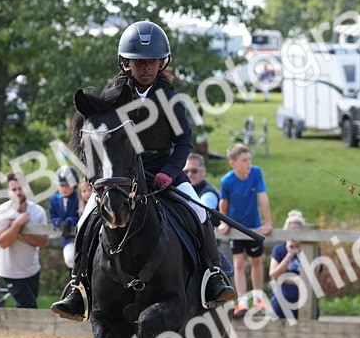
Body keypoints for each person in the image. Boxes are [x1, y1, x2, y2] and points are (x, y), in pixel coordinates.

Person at [50, 20, 235, 320]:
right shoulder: (113, 97)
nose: (145, 68)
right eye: (138, 63)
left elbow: (184, 141)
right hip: (121, 175)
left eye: (151, 62)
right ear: (126, 63)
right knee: (86, 217)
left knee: (198, 209)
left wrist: (170, 171)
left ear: (161, 63)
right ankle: (77, 288)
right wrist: (96, 174)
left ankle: (214, 274)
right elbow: (95, 135)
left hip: (163, 170)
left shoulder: (169, 99)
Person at [218, 143, 273, 318]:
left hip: (253, 227)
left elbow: (263, 198)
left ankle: (258, 298)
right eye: (244, 160)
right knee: (239, 264)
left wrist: (268, 222)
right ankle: (242, 301)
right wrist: (223, 222)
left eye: (249, 159)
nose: (248, 163)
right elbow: (223, 203)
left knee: (256, 262)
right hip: (236, 227)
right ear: (233, 163)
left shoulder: (256, 173)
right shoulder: (227, 181)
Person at [0, 173, 49, 309]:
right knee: (29, 306)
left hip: (32, 269)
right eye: (14, 189)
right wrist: (18, 224)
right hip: (10, 270)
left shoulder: (38, 212)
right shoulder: (0, 212)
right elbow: (3, 242)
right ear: (8, 192)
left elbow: (44, 242)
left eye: (20, 188)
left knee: (25, 308)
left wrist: (15, 230)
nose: (18, 192)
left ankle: (16, 330)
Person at [268, 210, 306, 320]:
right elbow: (273, 274)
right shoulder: (279, 249)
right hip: (282, 294)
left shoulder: (309, 249)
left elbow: (312, 276)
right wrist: (289, 255)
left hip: (303, 294)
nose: (294, 235)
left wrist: (299, 253)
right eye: (291, 231)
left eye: (297, 231)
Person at [49, 166, 82, 269]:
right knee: (69, 259)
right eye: (61, 185)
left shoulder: (79, 197)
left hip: (80, 234)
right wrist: (59, 222)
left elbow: (80, 214)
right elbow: (53, 217)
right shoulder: (54, 199)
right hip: (67, 236)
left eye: (67, 185)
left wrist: (70, 220)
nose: (64, 188)